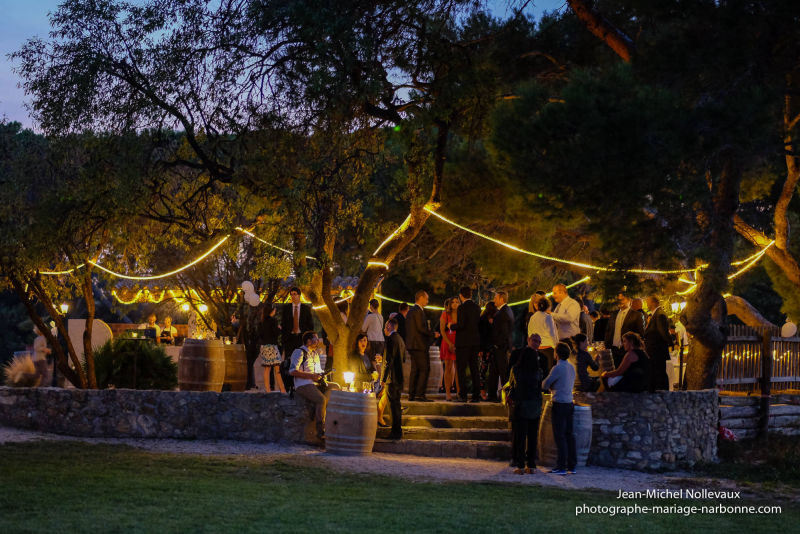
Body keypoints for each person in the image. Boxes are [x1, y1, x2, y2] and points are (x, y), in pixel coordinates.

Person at [507, 333, 544, 474]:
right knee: (533, 436)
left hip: (521, 405)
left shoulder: (517, 370)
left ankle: (520, 464)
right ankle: (532, 465)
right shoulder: (538, 371)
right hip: (534, 405)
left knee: (520, 436)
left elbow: (513, 384)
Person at [542, 342, 577, 475]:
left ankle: (561, 466)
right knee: (570, 435)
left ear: (556, 353)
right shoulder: (571, 367)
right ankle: (571, 465)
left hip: (559, 403)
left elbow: (545, 384)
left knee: (560, 436)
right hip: (569, 402)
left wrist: (551, 386)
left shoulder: (557, 368)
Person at [290, 331, 328, 440]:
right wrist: (311, 376)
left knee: (335, 388)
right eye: (316, 339)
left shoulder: (315, 354)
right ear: (308, 341)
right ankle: (320, 431)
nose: (318, 341)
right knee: (321, 399)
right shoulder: (299, 352)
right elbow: (292, 371)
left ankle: (315, 409)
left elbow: (318, 370)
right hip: (303, 384)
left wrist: (322, 375)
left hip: (314, 382)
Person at [449, 286, 482, 403]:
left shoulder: (461, 308)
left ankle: (463, 395)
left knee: (461, 369)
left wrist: (451, 326)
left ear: (461, 296)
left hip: (463, 343)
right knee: (474, 369)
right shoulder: (477, 307)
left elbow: (461, 325)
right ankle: (476, 395)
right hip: (475, 343)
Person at [405, 290, 435, 402]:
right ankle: (419, 394)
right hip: (419, 345)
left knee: (415, 369)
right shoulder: (417, 311)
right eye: (426, 298)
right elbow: (421, 328)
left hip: (413, 345)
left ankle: (412, 394)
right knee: (424, 369)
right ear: (421, 298)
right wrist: (433, 334)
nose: (427, 301)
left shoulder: (411, 311)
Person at [604, 292, 645, 367]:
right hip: (613, 350)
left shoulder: (637, 315)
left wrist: (635, 349)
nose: (620, 302)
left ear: (630, 300)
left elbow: (641, 334)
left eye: (622, 300)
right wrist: (607, 345)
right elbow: (608, 331)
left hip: (628, 351)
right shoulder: (613, 314)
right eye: (618, 300)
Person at [381, 318, 406, 440]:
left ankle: (394, 432)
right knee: (397, 404)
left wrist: (383, 378)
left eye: (386, 326)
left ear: (389, 327)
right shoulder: (400, 339)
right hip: (400, 377)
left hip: (392, 377)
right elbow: (403, 358)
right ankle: (398, 430)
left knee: (392, 406)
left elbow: (388, 360)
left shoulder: (391, 339)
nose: (384, 328)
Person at [487, 291, 513, 402]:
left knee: (503, 373)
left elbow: (504, 332)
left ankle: (505, 397)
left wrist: (498, 345)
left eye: (496, 298)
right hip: (500, 348)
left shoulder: (503, 313)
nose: (494, 300)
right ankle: (493, 395)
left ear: (501, 299)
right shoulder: (506, 311)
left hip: (501, 348)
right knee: (494, 372)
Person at [644, 295, 671, 391]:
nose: (646, 304)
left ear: (654, 303)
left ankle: (662, 391)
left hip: (657, 351)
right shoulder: (654, 315)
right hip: (653, 351)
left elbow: (663, 332)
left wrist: (671, 343)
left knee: (659, 373)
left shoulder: (659, 315)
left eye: (648, 302)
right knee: (655, 372)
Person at [258, 303, 285, 393]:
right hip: (272, 346)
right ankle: (282, 389)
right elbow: (275, 333)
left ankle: (268, 390)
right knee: (277, 369)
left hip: (264, 346)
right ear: (272, 311)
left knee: (267, 369)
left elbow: (260, 335)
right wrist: (279, 329)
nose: (275, 311)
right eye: (274, 309)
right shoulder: (273, 320)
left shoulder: (261, 321)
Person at [528, 297, 558, 373]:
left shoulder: (533, 317)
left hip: (536, 348)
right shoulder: (548, 317)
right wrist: (556, 348)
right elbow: (552, 334)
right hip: (547, 349)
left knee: (537, 371)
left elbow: (530, 333)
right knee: (547, 372)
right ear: (548, 306)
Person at [281, 287, 314, 357]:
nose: (293, 296)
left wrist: (309, 338)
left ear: (299, 295)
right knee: (289, 359)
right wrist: (284, 337)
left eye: (294, 294)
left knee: (302, 358)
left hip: (301, 337)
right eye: (291, 294)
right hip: (289, 338)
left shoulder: (306, 308)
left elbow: (310, 324)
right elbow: (283, 323)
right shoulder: (286, 308)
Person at [439, 297, 459, 401]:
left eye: (457, 302)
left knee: (458, 368)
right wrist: (450, 343)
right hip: (448, 341)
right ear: (450, 304)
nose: (455, 304)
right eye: (453, 302)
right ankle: (448, 393)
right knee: (448, 368)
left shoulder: (461, 314)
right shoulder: (445, 314)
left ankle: (459, 391)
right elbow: (442, 330)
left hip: (459, 342)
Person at [478, 301, 498, 400]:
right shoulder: (486, 319)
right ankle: (483, 392)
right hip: (488, 348)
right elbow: (483, 335)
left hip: (486, 348)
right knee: (486, 370)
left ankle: (483, 392)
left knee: (484, 370)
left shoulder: (483, 318)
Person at [362, 299, 385, 363]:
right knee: (378, 361)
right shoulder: (381, 316)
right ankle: (379, 373)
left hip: (372, 341)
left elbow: (363, 329)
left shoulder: (370, 316)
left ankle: (373, 372)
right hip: (381, 341)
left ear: (371, 306)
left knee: (371, 360)